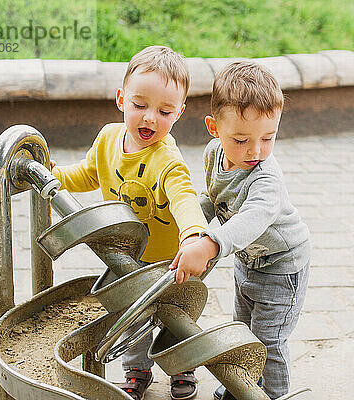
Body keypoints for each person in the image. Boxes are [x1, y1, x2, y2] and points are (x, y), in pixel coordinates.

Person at [52, 45, 206, 400]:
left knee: (174, 316)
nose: (150, 118)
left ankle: (183, 365)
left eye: (164, 111)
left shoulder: (168, 160)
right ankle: (137, 370)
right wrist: (56, 176)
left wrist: (195, 236)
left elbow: (184, 197)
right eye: (140, 106)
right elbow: (88, 173)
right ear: (121, 99)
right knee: (131, 316)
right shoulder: (108, 138)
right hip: (126, 258)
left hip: (171, 262)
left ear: (179, 112)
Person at [170, 61, 311, 400]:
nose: (255, 151)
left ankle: (272, 395)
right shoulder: (214, 154)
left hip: (282, 268)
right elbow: (214, 199)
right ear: (214, 128)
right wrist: (190, 226)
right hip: (247, 261)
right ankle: (242, 388)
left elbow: (250, 218)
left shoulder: (266, 179)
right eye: (241, 139)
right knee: (242, 331)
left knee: (269, 340)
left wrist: (209, 245)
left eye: (268, 137)